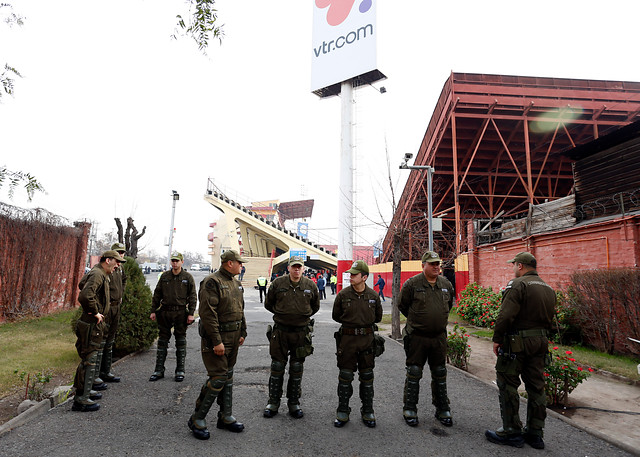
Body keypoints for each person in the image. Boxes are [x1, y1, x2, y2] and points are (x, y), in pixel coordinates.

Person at [485, 252, 556, 450]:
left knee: (507, 383)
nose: (513, 268)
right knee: (536, 387)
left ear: (521, 266)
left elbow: (505, 315)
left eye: (514, 265)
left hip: (517, 342)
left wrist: (497, 339)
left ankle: (511, 431)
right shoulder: (548, 288)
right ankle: (535, 433)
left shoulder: (518, 284)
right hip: (540, 342)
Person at [188, 250, 248, 440]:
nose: (241, 265)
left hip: (234, 336)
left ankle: (225, 416)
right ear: (229, 263)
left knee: (227, 376)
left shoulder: (236, 283)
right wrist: (216, 340)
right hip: (218, 337)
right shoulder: (212, 282)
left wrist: (243, 331)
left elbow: (240, 309)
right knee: (218, 378)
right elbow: (207, 314)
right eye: (239, 263)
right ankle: (197, 418)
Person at [399, 250, 454, 427]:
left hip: (438, 338)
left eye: (438, 263)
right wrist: (419, 321)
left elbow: (449, 305)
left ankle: (442, 409)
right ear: (423, 265)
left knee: (439, 373)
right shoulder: (412, 284)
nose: (436, 267)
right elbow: (403, 305)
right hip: (417, 338)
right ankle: (410, 408)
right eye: (432, 264)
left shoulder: (446, 284)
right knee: (414, 373)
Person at [263, 255, 320, 419]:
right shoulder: (278, 284)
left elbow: (315, 306)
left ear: (303, 268)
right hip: (280, 332)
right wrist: (283, 314)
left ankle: (294, 403)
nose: (296, 269)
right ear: (289, 268)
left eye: (299, 267)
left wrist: (301, 317)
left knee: (296, 369)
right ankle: (273, 402)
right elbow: (269, 304)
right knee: (277, 367)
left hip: (301, 333)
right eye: (294, 266)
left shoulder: (310, 285)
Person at [72, 250, 125, 412]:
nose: (118, 265)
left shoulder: (98, 272)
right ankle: (82, 400)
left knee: (88, 358)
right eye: (116, 261)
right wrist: (95, 312)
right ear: (107, 260)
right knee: (90, 359)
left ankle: (83, 394)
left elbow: (83, 284)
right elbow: (85, 295)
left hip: (91, 323)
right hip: (91, 323)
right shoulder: (98, 274)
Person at [332, 260, 383, 428]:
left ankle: (368, 411)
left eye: (354, 274)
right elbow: (336, 316)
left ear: (364, 277)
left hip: (367, 342)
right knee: (345, 377)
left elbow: (378, 317)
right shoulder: (343, 295)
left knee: (367, 377)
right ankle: (343, 410)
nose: (351, 276)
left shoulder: (374, 296)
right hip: (347, 341)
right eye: (351, 274)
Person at [149, 252, 196, 383]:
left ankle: (180, 370)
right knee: (162, 341)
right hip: (165, 312)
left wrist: (191, 313)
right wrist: (153, 311)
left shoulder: (187, 277)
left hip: (181, 312)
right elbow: (157, 294)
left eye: (177, 261)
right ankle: (159, 370)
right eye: (173, 261)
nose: (174, 263)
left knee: (180, 342)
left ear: (182, 261)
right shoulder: (164, 276)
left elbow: (192, 296)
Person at [96, 242, 127, 384]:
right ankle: (96, 375)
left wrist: (120, 295)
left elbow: (124, 281)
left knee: (110, 340)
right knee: (101, 340)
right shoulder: (105, 269)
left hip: (116, 307)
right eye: (118, 252)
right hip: (106, 307)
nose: (121, 255)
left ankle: (106, 371)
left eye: (122, 253)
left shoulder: (120, 269)